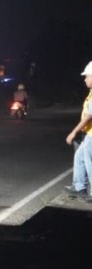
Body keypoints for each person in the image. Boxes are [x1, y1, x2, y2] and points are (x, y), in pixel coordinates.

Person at [65, 61, 92, 203]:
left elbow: (89, 116)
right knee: (79, 157)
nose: (85, 79)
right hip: (89, 134)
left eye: (87, 76)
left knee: (89, 162)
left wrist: (73, 132)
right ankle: (79, 186)